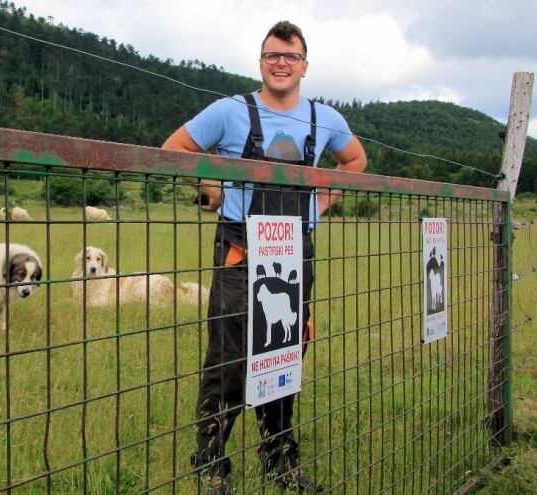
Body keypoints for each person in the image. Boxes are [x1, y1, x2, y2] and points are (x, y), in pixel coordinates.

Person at [162, 20, 367, 494]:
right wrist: (209, 188)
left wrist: (321, 202)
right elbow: (175, 150)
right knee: (229, 358)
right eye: (273, 55)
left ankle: (279, 461)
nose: (281, 62)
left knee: (285, 352)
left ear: (304, 66)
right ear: (260, 62)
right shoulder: (229, 111)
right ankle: (210, 462)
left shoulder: (325, 119)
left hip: (295, 253)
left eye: (290, 56)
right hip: (241, 251)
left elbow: (355, 161)